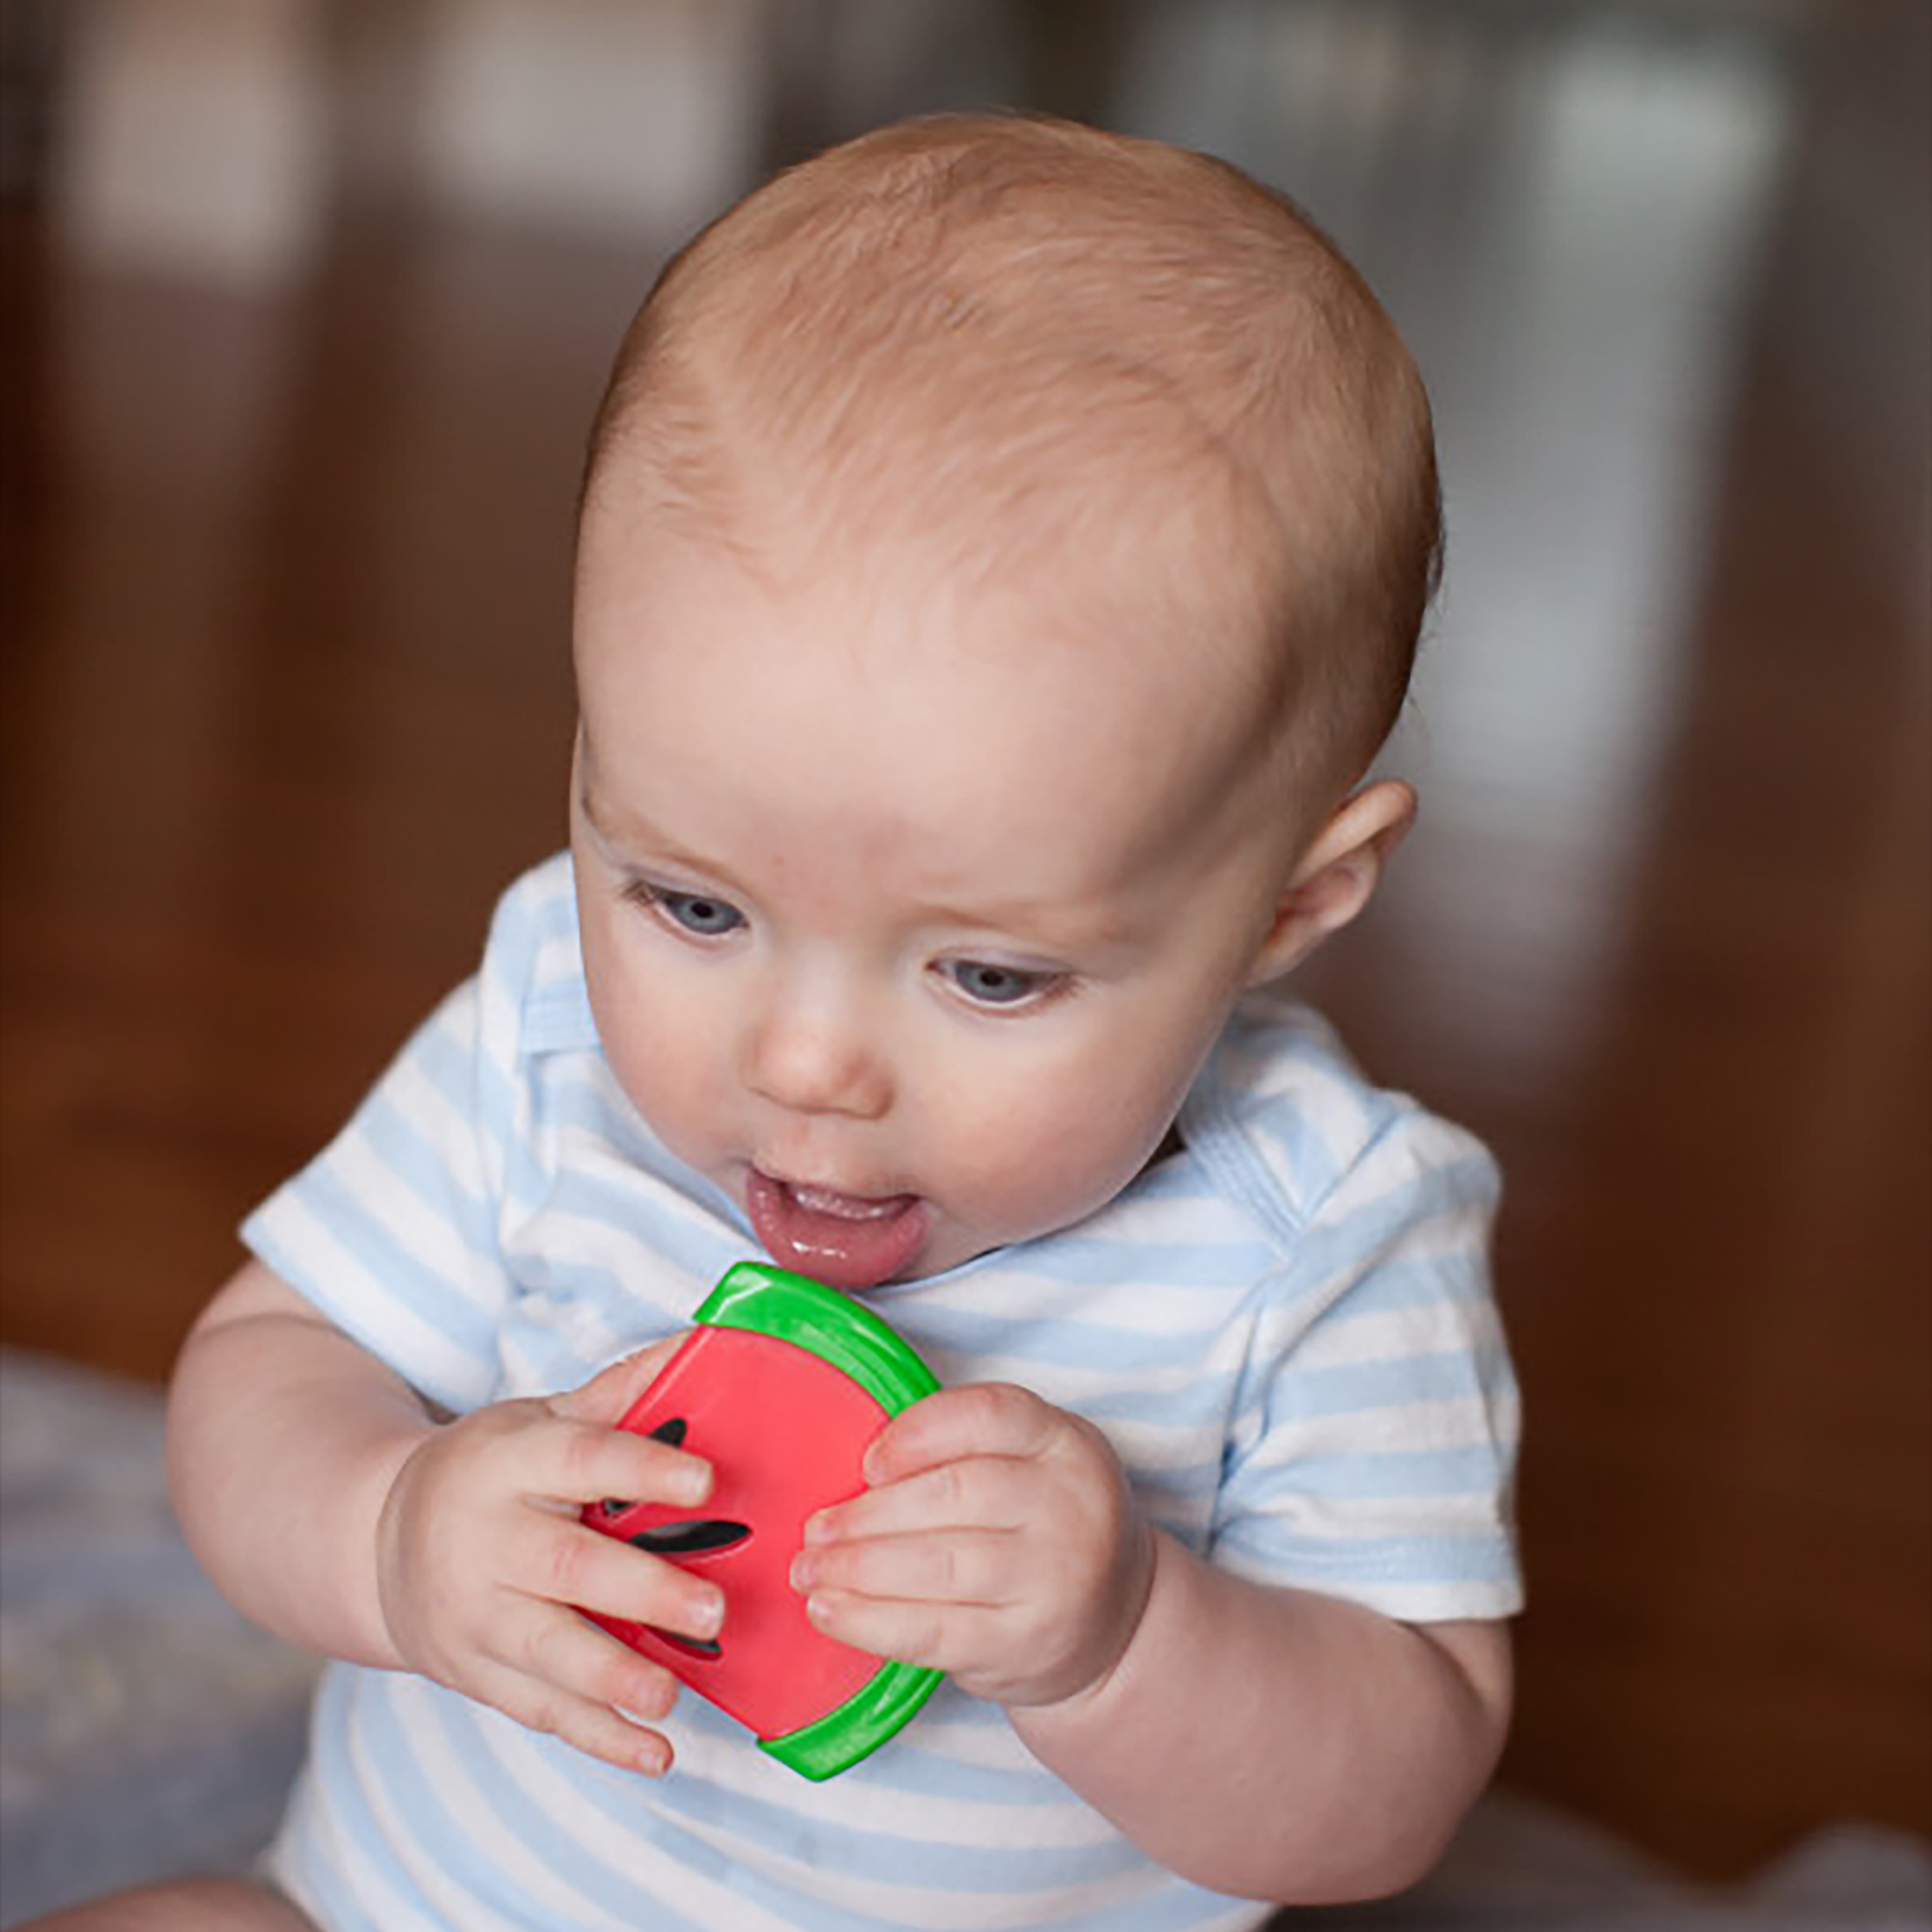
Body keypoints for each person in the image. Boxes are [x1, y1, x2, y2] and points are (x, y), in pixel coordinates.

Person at [42, 112, 1520, 1932]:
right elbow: (267, 1370)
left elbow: (1392, 1786)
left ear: (1293, 899)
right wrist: (391, 1532)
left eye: (989, 974)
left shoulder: (1323, 1244)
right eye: (695, 905)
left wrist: (1128, 1634)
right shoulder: (548, 1035)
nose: (804, 1067)